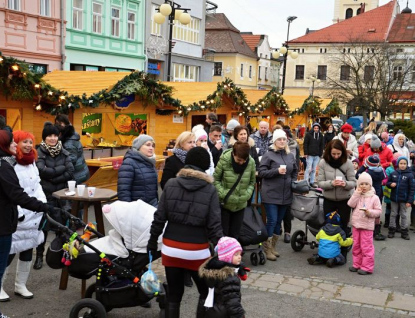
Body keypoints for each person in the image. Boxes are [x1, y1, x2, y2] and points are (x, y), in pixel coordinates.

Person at [147, 147, 223, 318]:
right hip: (197, 250)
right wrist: (222, 250)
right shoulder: (209, 189)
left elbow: (159, 217)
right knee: (205, 292)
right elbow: (214, 225)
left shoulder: (171, 184)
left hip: (171, 247)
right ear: (205, 166)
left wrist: (152, 242)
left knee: (174, 295)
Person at [0, 130, 54, 318]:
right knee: (8, 252)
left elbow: (37, 186)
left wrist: (43, 205)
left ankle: (20, 285)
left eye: (31, 142)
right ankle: (0, 286)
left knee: (27, 249)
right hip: (19, 215)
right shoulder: (10, 164)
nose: (28, 145)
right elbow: (13, 193)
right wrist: (21, 214)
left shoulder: (32, 163)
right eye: (24, 142)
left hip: (34, 213)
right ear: (14, 143)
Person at [34, 122, 74, 270]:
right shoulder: (40, 151)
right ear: (44, 138)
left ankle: (59, 256)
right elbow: (40, 170)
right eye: (49, 136)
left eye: (55, 135)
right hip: (45, 195)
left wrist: (52, 176)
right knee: (43, 227)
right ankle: (39, 256)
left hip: (61, 196)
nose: (52, 138)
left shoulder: (64, 151)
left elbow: (70, 171)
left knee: (62, 226)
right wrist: (60, 171)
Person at [259, 129, 298, 261]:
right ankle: (267, 249)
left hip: (286, 194)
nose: (282, 141)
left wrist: (292, 181)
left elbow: (294, 170)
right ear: (274, 141)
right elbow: (262, 172)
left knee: (278, 223)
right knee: (272, 221)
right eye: (279, 139)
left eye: (284, 139)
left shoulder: (290, 155)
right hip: (270, 193)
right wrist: (276, 171)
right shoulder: (268, 155)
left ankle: (273, 247)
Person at [318, 139, 356, 260]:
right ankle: (327, 251)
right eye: (333, 154)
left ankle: (343, 252)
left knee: (343, 226)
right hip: (329, 199)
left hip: (344, 200)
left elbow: (353, 183)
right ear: (329, 152)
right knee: (328, 226)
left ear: (342, 153)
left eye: (338, 154)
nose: (335, 156)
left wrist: (344, 184)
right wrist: (331, 183)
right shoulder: (323, 163)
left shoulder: (348, 163)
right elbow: (319, 183)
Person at [213, 142, 256, 239]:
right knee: (223, 235)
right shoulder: (224, 160)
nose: (242, 162)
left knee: (235, 234)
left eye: (244, 160)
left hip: (240, 203)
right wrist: (223, 194)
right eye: (239, 160)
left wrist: (247, 194)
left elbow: (252, 181)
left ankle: (234, 253)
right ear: (233, 154)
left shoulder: (251, 162)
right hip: (225, 203)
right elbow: (216, 179)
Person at [199, 237, 247, 318]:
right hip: (224, 313)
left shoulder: (211, 269)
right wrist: (240, 315)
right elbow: (233, 303)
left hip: (211, 311)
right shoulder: (229, 277)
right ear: (227, 257)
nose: (239, 257)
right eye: (236, 254)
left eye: (240, 254)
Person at [348, 172, 382, 275]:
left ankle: (367, 267)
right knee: (356, 245)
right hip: (356, 224)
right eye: (361, 184)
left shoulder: (374, 197)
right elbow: (350, 204)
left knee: (366, 247)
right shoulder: (357, 194)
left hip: (367, 226)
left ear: (370, 185)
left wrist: (369, 212)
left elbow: (379, 211)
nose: (363, 186)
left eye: (366, 184)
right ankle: (357, 264)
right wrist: (356, 193)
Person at [117, 134, 158, 206]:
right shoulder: (129, 163)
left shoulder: (150, 162)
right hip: (136, 208)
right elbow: (123, 190)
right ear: (139, 147)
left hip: (152, 206)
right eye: (148, 145)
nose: (151, 148)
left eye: (153, 145)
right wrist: (128, 208)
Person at [356, 156, 387, 241]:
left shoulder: (367, 173)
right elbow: (385, 179)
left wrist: (363, 167)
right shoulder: (381, 171)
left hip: (368, 193)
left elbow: (357, 175)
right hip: (378, 193)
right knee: (376, 211)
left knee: (367, 210)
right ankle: (377, 231)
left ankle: (366, 228)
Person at [54, 114, 89, 184]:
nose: (57, 126)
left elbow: (70, 161)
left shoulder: (69, 143)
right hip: (81, 172)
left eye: (59, 124)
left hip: (77, 175)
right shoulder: (71, 136)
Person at [386, 156, 415, 240]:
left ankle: (404, 231)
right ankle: (391, 230)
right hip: (394, 198)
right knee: (393, 214)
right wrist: (390, 184)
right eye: (401, 163)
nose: (402, 165)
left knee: (404, 215)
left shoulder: (410, 175)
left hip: (404, 199)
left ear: (407, 164)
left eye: (404, 163)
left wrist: (410, 200)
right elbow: (388, 182)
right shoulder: (394, 173)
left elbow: (412, 189)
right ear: (398, 164)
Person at [303, 123, 324, 188]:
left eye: (317, 128)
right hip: (310, 154)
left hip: (317, 155)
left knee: (314, 169)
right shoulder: (308, 134)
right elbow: (305, 144)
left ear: (319, 129)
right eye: (315, 128)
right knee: (308, 168)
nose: (316, 129)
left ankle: (312, 182)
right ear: (313, 128)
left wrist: (320, 154)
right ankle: (305, 182)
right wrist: (306, 153)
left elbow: (322, 145)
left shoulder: (320, 135)